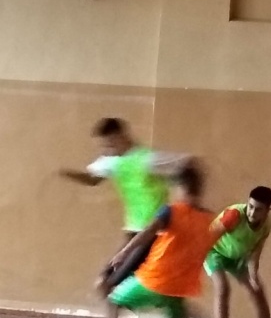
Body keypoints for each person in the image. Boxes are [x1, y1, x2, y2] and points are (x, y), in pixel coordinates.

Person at [84, 162, 230, 318]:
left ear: (180, 187)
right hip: (179, 286)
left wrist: (123, 253)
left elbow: (146, 233)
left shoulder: (171, 211)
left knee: (112, 298)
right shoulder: (209, 220)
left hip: (153, 280)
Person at [60, 118, 188, 290]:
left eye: (109, 145)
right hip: (132, 232)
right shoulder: (111, 161)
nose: (106, 151)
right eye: (103, 147)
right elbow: (92, 179)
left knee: (106, 285)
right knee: (116, 286)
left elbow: (186, 166)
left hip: (153, 233)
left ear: (121, 136)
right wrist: (66, 173)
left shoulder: (149, 159)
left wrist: (184, 199)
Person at [206, 186, 271, 318]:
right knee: (223, 288)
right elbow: (209, 238)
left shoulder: (267, 224)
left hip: (238, 257)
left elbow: (255, 252)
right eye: (250, 206)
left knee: (257, 291)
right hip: (215, 252)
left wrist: (254, 276)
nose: (252, 212)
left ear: (267, 211)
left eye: (258, 209)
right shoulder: (234, 215)